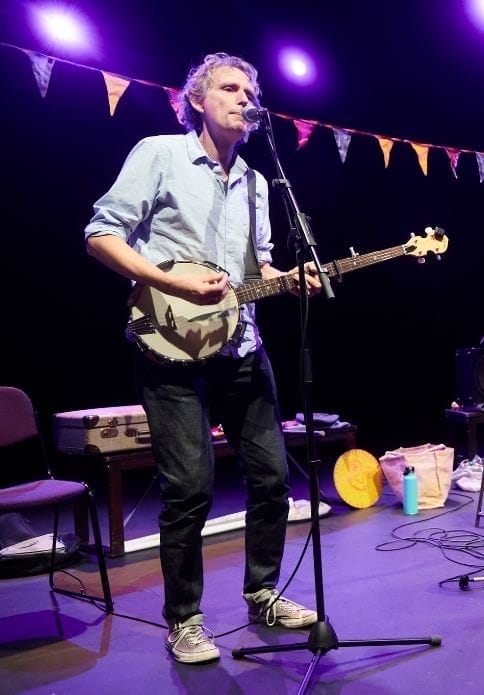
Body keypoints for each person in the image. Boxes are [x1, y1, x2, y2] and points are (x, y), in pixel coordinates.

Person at [84, 53, 320, 664]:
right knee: (189, 489)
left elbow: (256, 267)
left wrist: (285, 278)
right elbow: (100, 235)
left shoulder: (259, 183)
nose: (244, 99)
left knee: (272, 479)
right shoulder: (160, 154)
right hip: (170, 348)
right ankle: (184, 620)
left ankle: (263, 593)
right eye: (230, 88)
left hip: (241, 346)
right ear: (197, 100)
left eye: (250, 91)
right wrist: (171, 282)